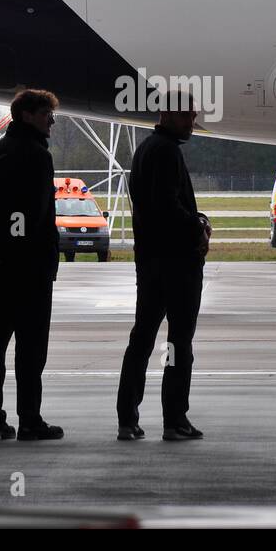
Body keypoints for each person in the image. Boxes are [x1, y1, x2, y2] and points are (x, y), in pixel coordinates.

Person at [0, 89, 63, 442]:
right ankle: (30, 420)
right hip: (29, 266)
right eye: (46, 113)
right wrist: (22, 247)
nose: (51, 120)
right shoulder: (35, 155)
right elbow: (30, 214)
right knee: (31, 348)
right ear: (27, 116)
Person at [116, 94, 211, 442]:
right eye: (187, 116)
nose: (192, 122)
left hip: (151, 262)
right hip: (177, 264)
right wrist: (197, 227)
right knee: (178, 343)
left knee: (141, 340)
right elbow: (168, 206)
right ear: (168, 114)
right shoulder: (167, 151)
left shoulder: (145, 150)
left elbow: (155, 207)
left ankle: (127, 417)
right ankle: (174, 419)